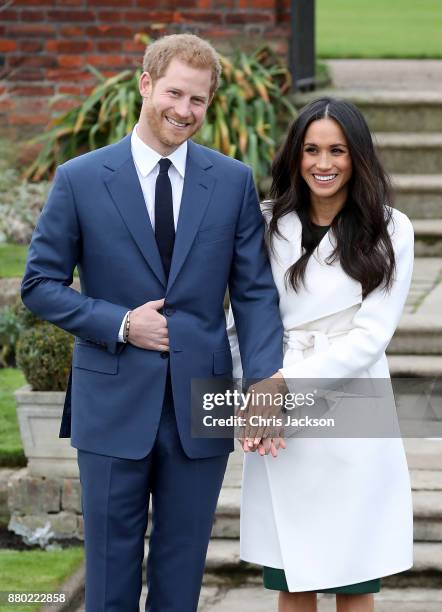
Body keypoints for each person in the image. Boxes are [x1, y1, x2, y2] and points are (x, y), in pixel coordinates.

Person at [21, 34, 284, 612]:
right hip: (112, 400)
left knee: (181, 570)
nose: (183, 111)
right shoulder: (81, 179)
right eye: (173, 94)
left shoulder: (233, 181)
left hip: (202, 402)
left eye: (198, 100)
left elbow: (256, 294)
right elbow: (38, 285)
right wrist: (119, 324)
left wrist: (265, 380)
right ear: (145, 85)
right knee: (110, 576)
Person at [228, 97, 414, 612]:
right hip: (274, 400)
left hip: (351, 401)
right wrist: (254, 390)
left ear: (358, 157)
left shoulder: (391, 227)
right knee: (293, 574)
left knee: (355, 574)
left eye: (337, 150)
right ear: (295, 155)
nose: (323, 163)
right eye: (311, 150)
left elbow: (370, 336)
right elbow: (246, 312)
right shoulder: (266, 221)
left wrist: (282, 385)